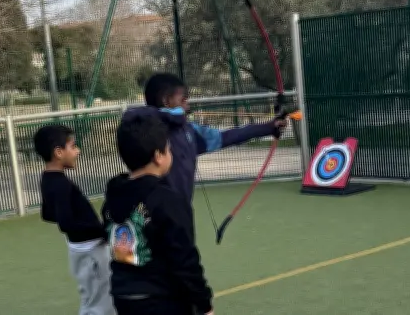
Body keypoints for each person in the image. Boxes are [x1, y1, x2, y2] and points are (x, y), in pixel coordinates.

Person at [103, 111, 213, 315]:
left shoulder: (114, 195)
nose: (170, 153)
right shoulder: (168, 200)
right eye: (168, 149)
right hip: (162, 301)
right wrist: (204, 303)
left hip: (123, 297)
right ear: (158, 156)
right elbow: (184, 258)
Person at [125, 72, 286, 202]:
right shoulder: (144, 130)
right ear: (166, 101)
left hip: (181, 210)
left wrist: (268, 127)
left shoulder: (189, 131)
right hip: (151, 211)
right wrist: (171, 116)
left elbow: (228, 136)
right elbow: (137, 116)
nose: (187, 106)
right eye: (183, 100)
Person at [35, 124, 115, 315]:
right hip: (91, 252)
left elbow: (47, 214)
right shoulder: (61, 184)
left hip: (80, 251)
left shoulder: (48, 179)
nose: (77, 151)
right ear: (58, 152)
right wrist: (102, 231)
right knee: (101, 305)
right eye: (73, 146)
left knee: (94, 300)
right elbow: (66, 223)